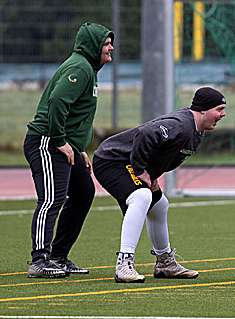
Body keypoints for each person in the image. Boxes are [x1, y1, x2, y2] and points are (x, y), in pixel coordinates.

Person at [92, 87, 227, 283]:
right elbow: (145, 134)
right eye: (220, 109)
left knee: (160, 205)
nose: (223, 114)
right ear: (203, 109)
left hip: (128, 163)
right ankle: (124, 264)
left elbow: (161, 155)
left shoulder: (197, 132)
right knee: (141, 197)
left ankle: (165, 263)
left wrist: (151, 176)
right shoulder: (180, 125)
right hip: (112, 160)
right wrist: (140, 170)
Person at [24, 22, 114, 278]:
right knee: (52, 199)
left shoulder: (89, 69)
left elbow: (76, 113)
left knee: (83, 192)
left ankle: (59, 256)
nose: (111, 48)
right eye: (107, 44)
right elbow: (57, 102)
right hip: (46, 141)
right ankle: (39, 261)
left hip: (64, 144)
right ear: (94, 46)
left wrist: (77, 146)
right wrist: (61, 140)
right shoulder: (80, 67)